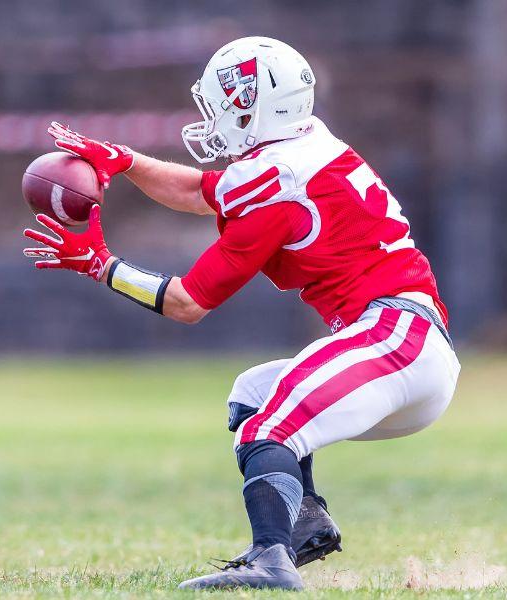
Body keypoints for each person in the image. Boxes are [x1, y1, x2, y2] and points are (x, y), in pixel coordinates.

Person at [23, 36, 460, 590]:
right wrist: (126, 161)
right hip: (405, 342)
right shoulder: (304, 149)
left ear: (253, 106)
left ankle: (270, 560)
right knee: (254, 392)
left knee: (268, 425)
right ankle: (303, 524)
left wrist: (101, 266)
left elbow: (187, 303)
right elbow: (207, 191)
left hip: (393, 336)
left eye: (222, 104)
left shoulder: (278, 181)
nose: (213, 117)